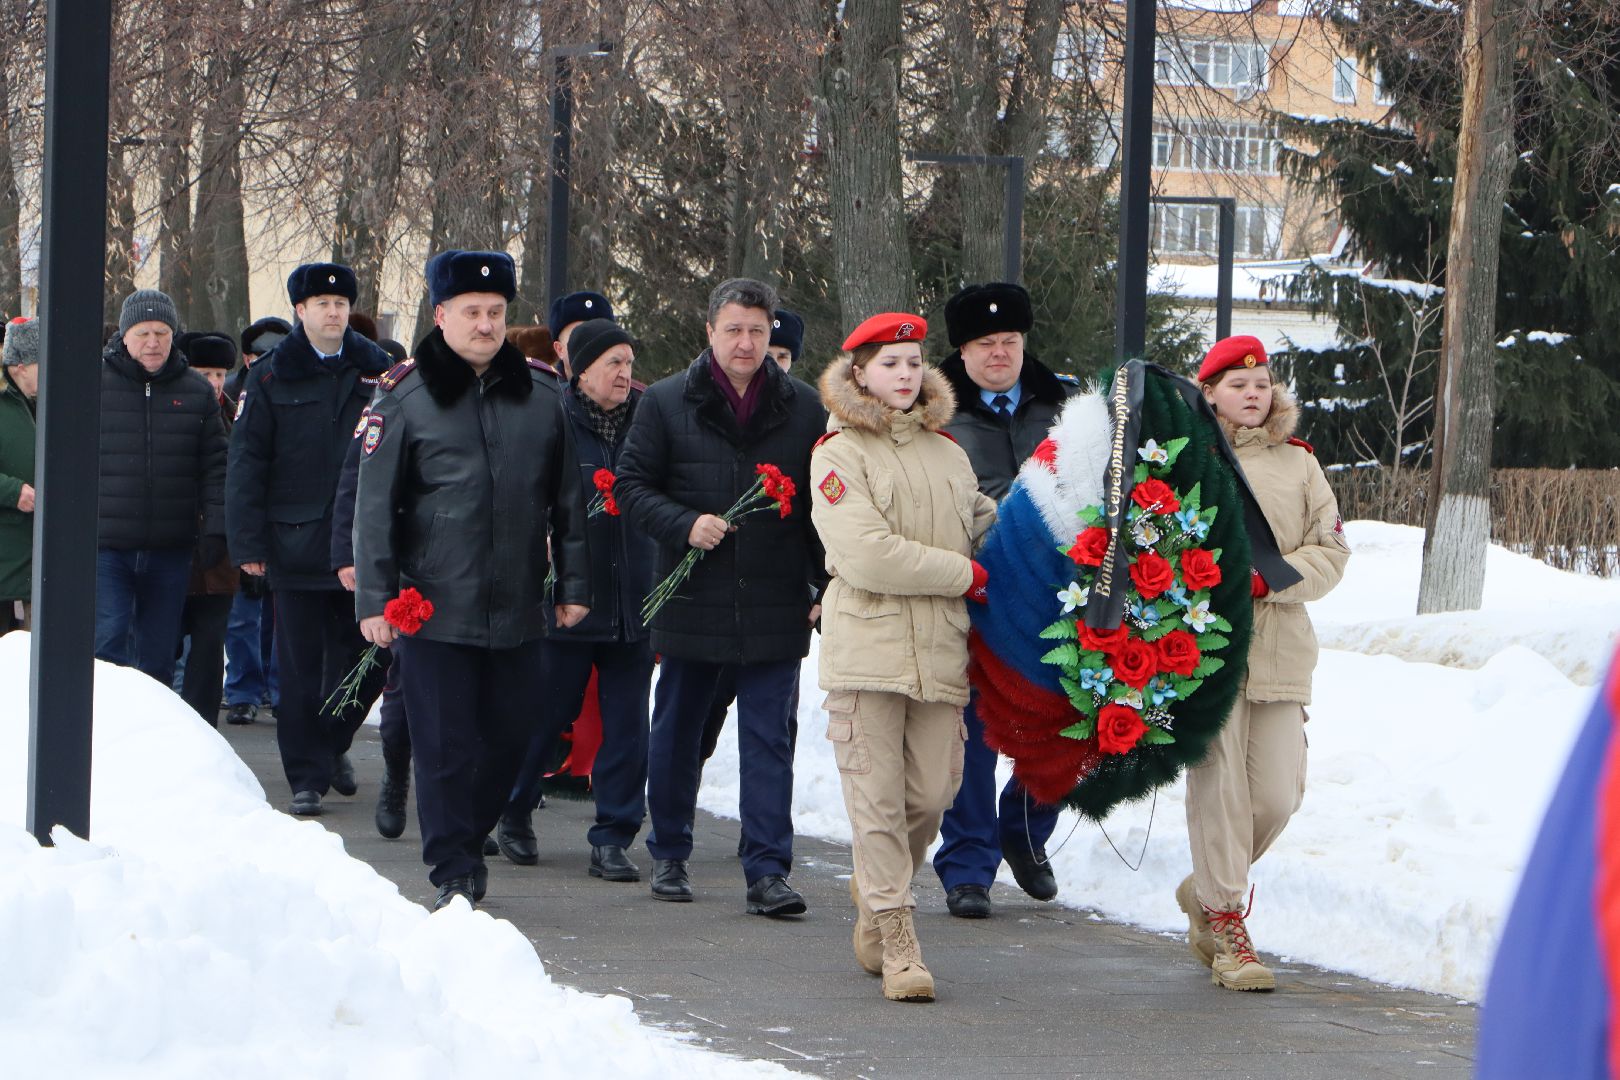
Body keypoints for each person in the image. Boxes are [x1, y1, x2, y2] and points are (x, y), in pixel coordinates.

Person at [353, 250, 591, 910]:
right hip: (431, 604)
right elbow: (374, 507)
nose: (485, 325)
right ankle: (452, 864)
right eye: (471, 313)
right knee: (445, 744)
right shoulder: (405, 396)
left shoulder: (543, 396)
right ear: (441, 316)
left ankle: (468, 832)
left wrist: (574, 584)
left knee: (515, 738)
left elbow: (569, 499)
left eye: (495, 313)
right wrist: (374, 598)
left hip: (516, 602)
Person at [615, 277, 827, 915]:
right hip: (693, 599)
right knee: (678, 730)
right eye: (733, 329)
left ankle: (767, 870)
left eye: (757, 331)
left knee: (769, 739)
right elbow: (630, 484)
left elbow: (820, 508)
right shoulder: (668, 402)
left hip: (773, 601)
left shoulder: (804, 407)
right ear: (710, 332)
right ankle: (671, 851)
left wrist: (824, 585)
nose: (745, 342)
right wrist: (685, 523)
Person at [811, 311, 996, 1002]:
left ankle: (876, 885)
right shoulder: (837, 453)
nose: (905, 375)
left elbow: (980, 523)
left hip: (942, 653)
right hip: (869, 650)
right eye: (890, 363)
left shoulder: (947, 451)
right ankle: (896, 936)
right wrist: (962, 575)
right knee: (878, 800)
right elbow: (865, 553)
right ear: (858, 371)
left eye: (914, 362)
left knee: (933, 793)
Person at [1178, 335, 1349, 991]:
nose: (1254, 394)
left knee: (1277, 795)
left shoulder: (1301, 465)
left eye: (1262, 383)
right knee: (1219, 791)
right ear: (1211, 392)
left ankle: (1204, 889)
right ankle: (1227, 927)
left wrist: (1269, 579)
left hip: (1280, 646)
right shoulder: (1183, 460)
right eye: (1237, 383)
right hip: (1202, 649)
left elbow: (1329, 553)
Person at [932, 281, 1080, 918]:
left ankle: (1024, 827)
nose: (1000, 353)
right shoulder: (934, 411)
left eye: (1010, 341)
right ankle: (967, 866)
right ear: (962, 351)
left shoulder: (1069, 407)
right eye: (986, 344)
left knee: (1064, 723)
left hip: (1058, 593)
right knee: (975, 733)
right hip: (976, 593)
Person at [226, 263, 393, 816]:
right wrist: (247, 544)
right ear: (300, 310)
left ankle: (330, 741)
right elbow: (247, 462)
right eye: (322, 302)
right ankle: (306, 774)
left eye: (341, 302)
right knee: (297, 667)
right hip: (295, 542)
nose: (333, 312)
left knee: (369, 655)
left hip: (364, 544)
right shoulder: (271, 375)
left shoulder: (381, 372)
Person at [502, 317, 657, 882]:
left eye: (629, 363)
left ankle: (613, 836)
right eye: (612, 362)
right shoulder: (551, 419)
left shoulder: (648, 419)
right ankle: (514, 811)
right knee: (544, 716)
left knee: (626, 728)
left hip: (634, 599)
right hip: (568, 601)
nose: (624, 374)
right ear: (580, 368)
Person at [96, 290, 227, 683]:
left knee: (158, 654)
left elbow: (215, 467)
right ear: (124, 336)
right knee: (107, 643)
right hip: (106, 545)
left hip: (170, 546)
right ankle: (102, 735)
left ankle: (152, 737)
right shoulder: (93, 384)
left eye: (161, 332)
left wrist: (215, 528)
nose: (153, 342)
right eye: (143, 333)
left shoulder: (196, 390)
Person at [700, 305, 808, 762]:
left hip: (776, 596)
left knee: (774, 727)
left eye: (782, 355)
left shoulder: (804, 411)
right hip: (710, 593)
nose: (771, 363)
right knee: (701, 716)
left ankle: (765, 829)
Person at [221, 315, 290, 725]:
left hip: (287, 519)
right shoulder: (234, 398)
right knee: (244, 615)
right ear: (249, 359)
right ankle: (243, 691)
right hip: (250, 517)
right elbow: (238, 471)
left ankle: (280, 692)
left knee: (282, 618)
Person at [175, 332, 241, 723]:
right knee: (166, 643)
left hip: (222, 554)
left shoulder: (238, 414)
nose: (214, 382)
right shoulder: (178, 409)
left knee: (210, 644)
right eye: (205, 372)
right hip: (178, 544)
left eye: (219, 373)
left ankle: (202, 724)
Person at [0, 317, 38, 634]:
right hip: (6, 555)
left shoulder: (42, 403)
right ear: (21, 365)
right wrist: (13, 492)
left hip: (35, 560)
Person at [549, 290, 613, 378]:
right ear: (559, 349)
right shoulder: (541, 390)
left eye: (599, 335)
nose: (591, 343)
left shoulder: (627, 390)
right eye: (579, 336)